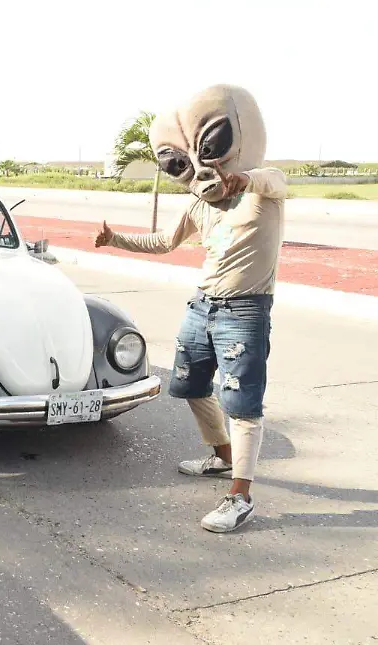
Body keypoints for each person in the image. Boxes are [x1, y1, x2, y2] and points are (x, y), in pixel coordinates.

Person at [95, 84, 286, 533]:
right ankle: (221, 457)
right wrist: (115, 239)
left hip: (245, 310)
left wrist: (246, 178)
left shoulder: (264, 191)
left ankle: (241, 495)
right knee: (191, 385)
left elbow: (275, 179)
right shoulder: (199, 203)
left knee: (243, 401)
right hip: (203, 306)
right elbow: (164, 241)